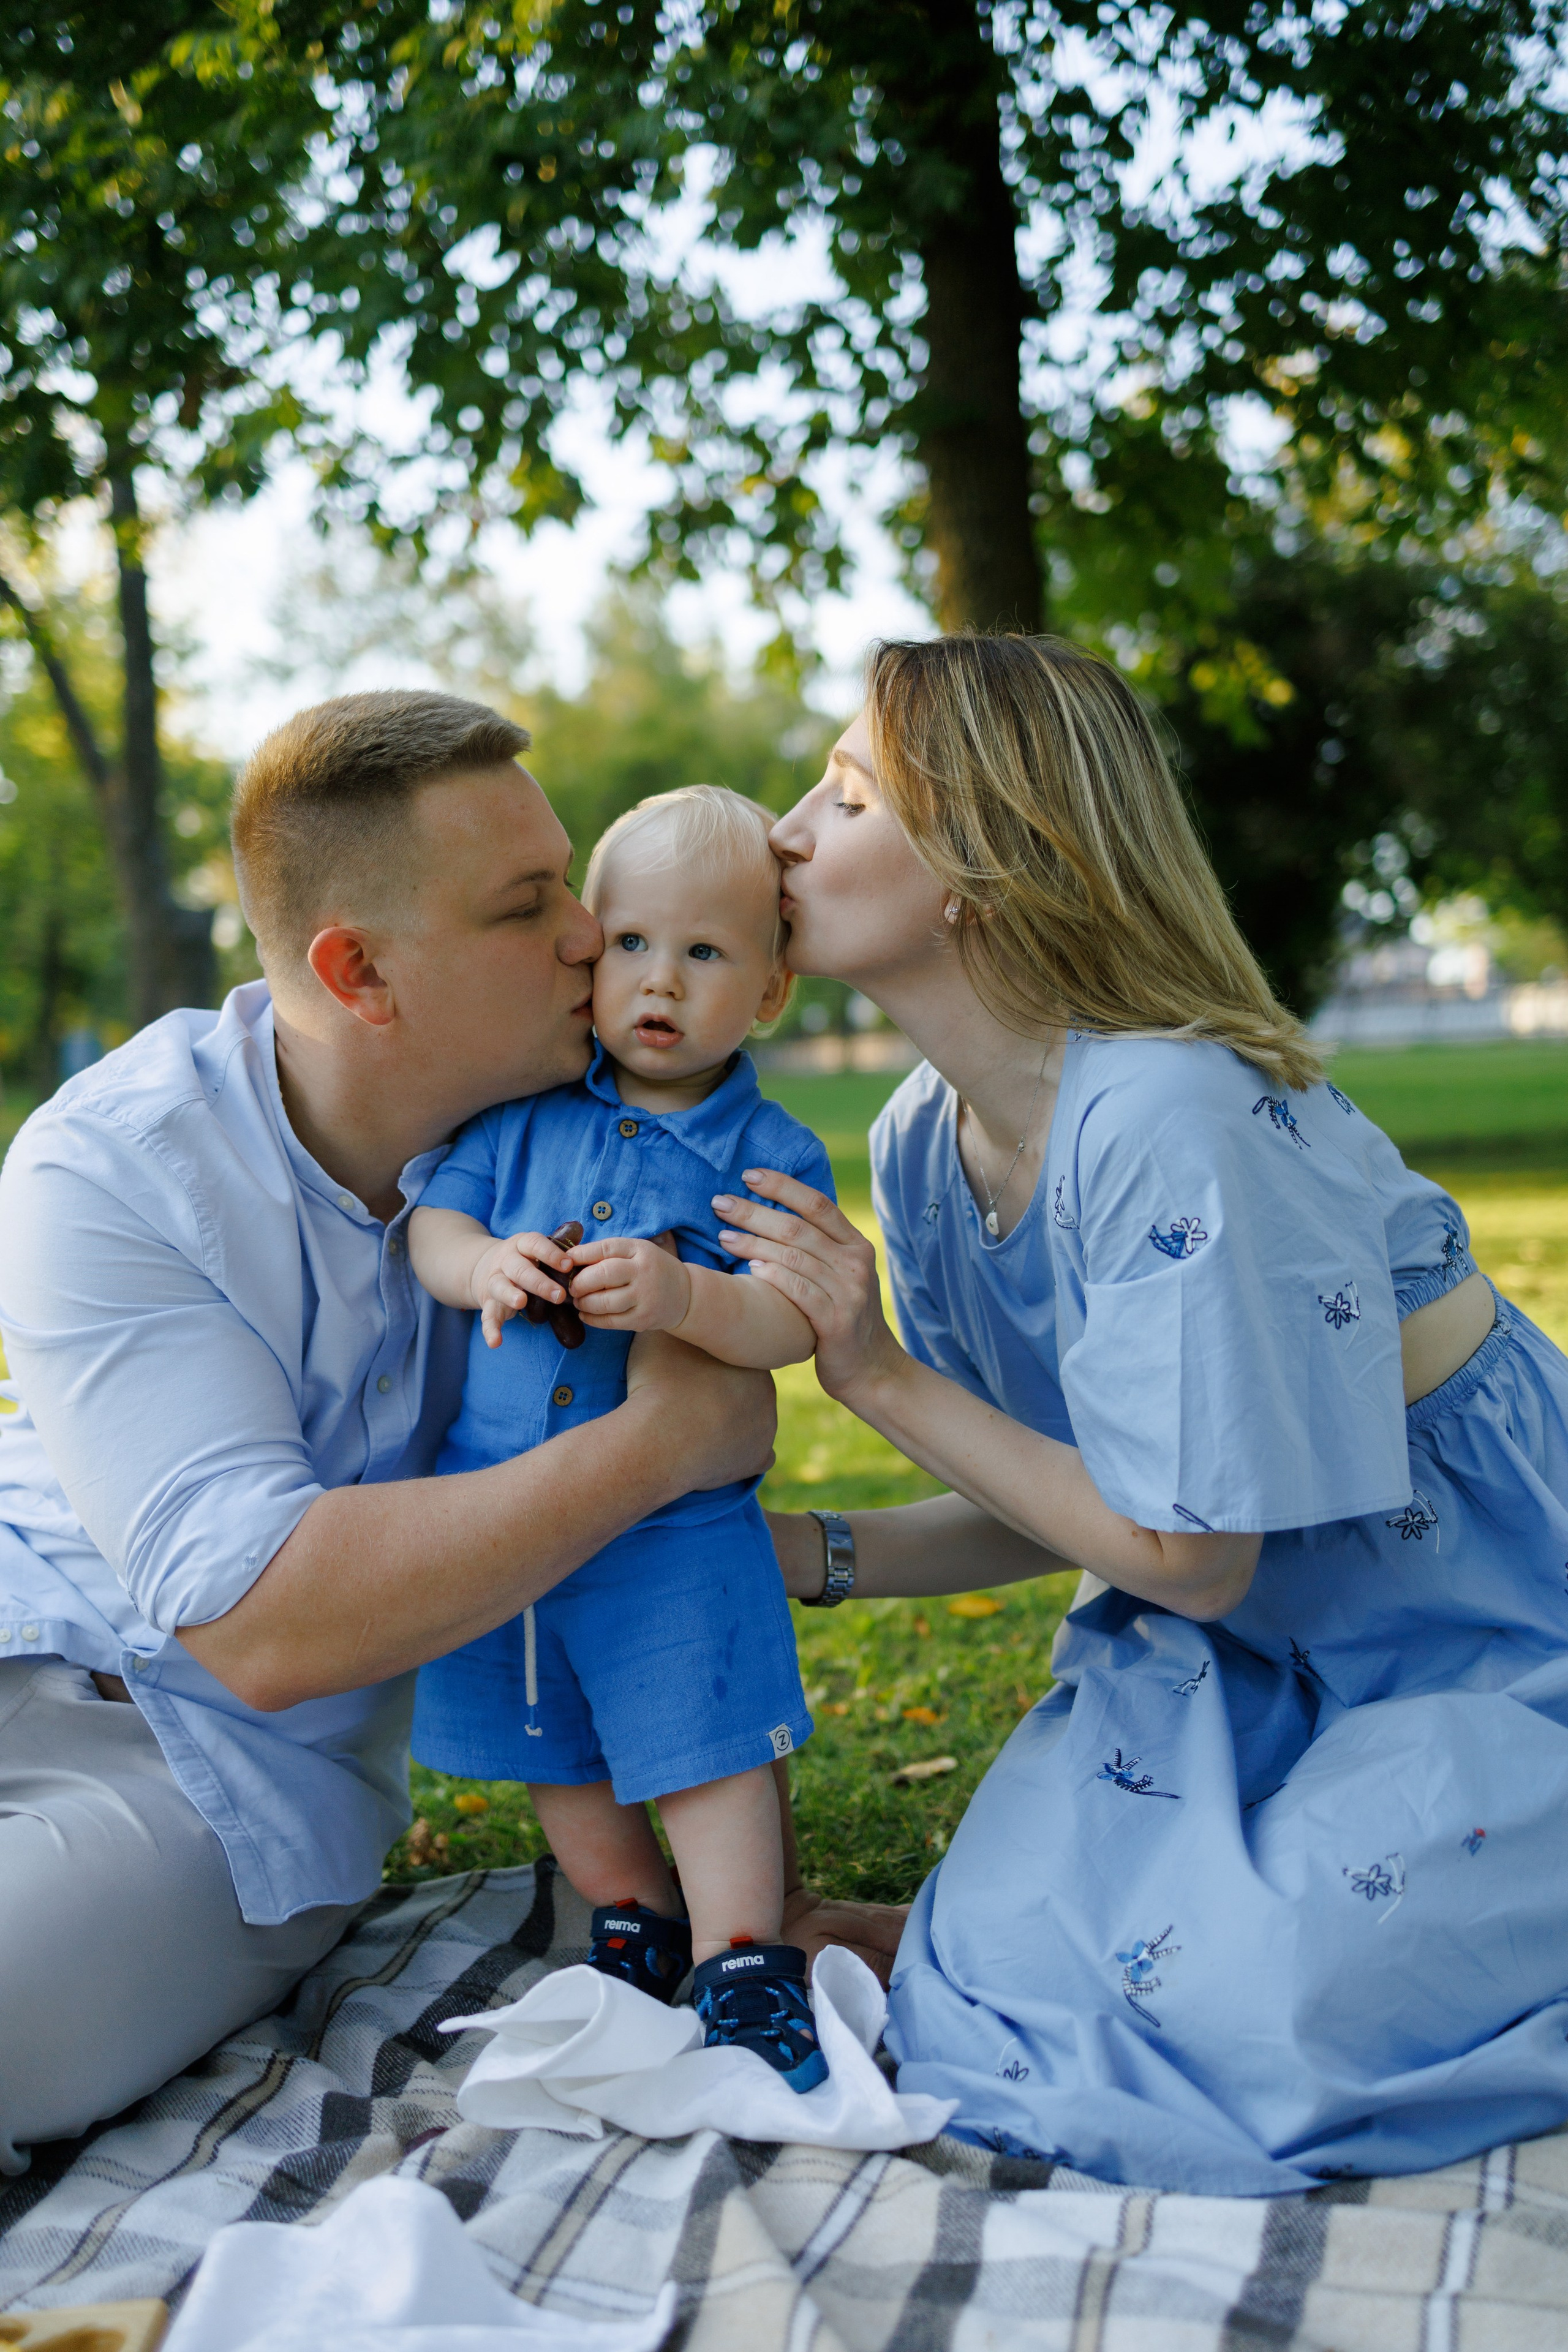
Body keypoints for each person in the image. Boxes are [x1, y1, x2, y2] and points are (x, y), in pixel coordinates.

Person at [0, 692, 894, 2176]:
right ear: (361, 973)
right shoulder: (112, 1160)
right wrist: (655, 1446)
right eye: (531, 904)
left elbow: (262, 1646)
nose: (586, 936)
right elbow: (264, 1598)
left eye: (577, 889)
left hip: (202, 1777)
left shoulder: (617, 1166)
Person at [722, 631, 1568, 2195]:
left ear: (983, 857)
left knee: (1283, 1991)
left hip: (1497, 1631)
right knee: (1000, 1957)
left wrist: (871, 1373)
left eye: (842, 797)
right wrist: (787, 1552)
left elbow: (1186, 1550)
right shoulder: (925, 1139)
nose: (782, 833)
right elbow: (1065, 1495)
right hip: (1247, 1655)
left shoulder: (1172, 1116)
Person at [407, 786, 835, 2089]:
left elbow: (787, 1321)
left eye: (705, 954)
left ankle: (743, 1952)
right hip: (503, 1506)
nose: (661, 982)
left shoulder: (768, 1149)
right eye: (634, 945)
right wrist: (485, 1266)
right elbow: (433, 1227)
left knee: (699, 1735)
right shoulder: (519, 1110)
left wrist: (689, 1298)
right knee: (555, 1740)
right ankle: (629, 1915)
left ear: (768, 990)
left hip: (670, 1531)